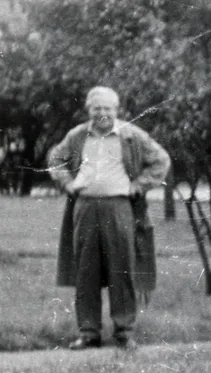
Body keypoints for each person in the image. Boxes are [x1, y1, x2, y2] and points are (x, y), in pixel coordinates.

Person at [47, 86, 170, 350]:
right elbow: (55, 158)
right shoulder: (78, 135)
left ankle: (124, 332)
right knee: (85, 271)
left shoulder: (131, 135)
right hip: (85, 207)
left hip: (119, 207)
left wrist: (139, 185)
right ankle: (89, 333)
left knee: (121, 268)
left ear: (116, 110)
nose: (102, 113)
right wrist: (67, 183)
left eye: (108, 108)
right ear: (89, 110)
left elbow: (161, 160)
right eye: (97, 108)